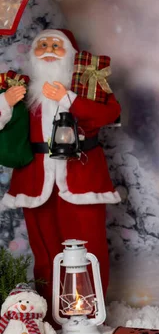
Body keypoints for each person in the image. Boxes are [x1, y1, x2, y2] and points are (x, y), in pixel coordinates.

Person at [0, 29, 121, 317]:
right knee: (46, 252)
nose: (49, 49)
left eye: (56, 44)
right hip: (35, 181)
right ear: (33, 53)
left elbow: (111, 114)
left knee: (89, 249)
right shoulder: (22, 88)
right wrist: (5, 102)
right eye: (42, 45)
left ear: (71, 53)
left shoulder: (86, 84)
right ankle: (53, 316)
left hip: (82, 178)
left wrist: (68, 98)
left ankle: (89, 314)